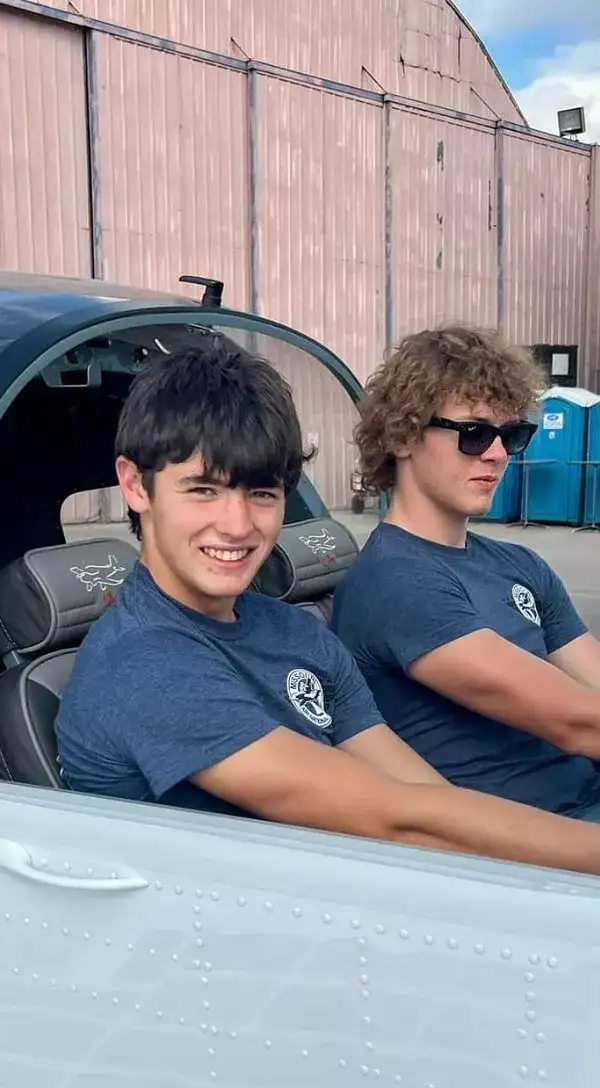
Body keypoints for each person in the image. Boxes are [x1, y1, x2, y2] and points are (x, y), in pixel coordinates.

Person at [54, 336, 600, 875]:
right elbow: (403, 820)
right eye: (203, 490)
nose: (237, 526)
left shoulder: (294, 632)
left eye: (262, 493)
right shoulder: (143, 664)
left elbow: (424, 794)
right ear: (135, 485)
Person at [330, 325, 600, 821]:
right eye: (474, 433)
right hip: (540, 837)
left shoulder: (521, 565)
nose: (497, 455)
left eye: (511, 435)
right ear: (404, 436)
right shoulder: (396, 582)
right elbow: (578, 722)